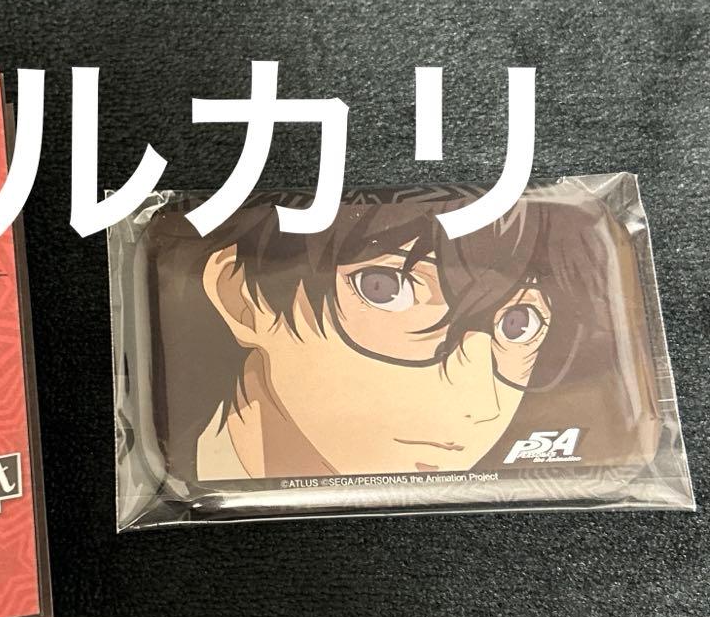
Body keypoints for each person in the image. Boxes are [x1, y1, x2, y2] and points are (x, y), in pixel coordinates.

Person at [143, 185, 659, 481]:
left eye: (517, 324)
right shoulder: (175, 469)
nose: (477, 401)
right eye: (384, 289)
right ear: (241, 295)